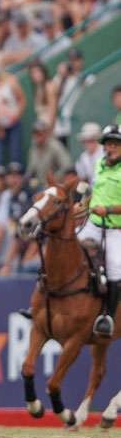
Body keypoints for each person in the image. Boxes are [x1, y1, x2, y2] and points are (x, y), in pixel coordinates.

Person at [79, 124, 121, 336]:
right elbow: (87, 186)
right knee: (67, 247)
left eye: (115, 144)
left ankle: (108, 318)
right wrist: (82, 200)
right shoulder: (98, 164)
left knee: (115, 268)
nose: (110, 148)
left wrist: (110, 209)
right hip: (93, 223)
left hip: (115, 229)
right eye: (108, 144)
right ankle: (50, 297)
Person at [26, 120, 73, 187]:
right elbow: (30, 171)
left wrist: (54, 178)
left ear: (46, 134)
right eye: (35, 133)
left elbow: (67, 166)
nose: (38, 136)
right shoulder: (33, 148)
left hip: (55, 185)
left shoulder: (55, 146)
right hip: (39, 185)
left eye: (40, 133)